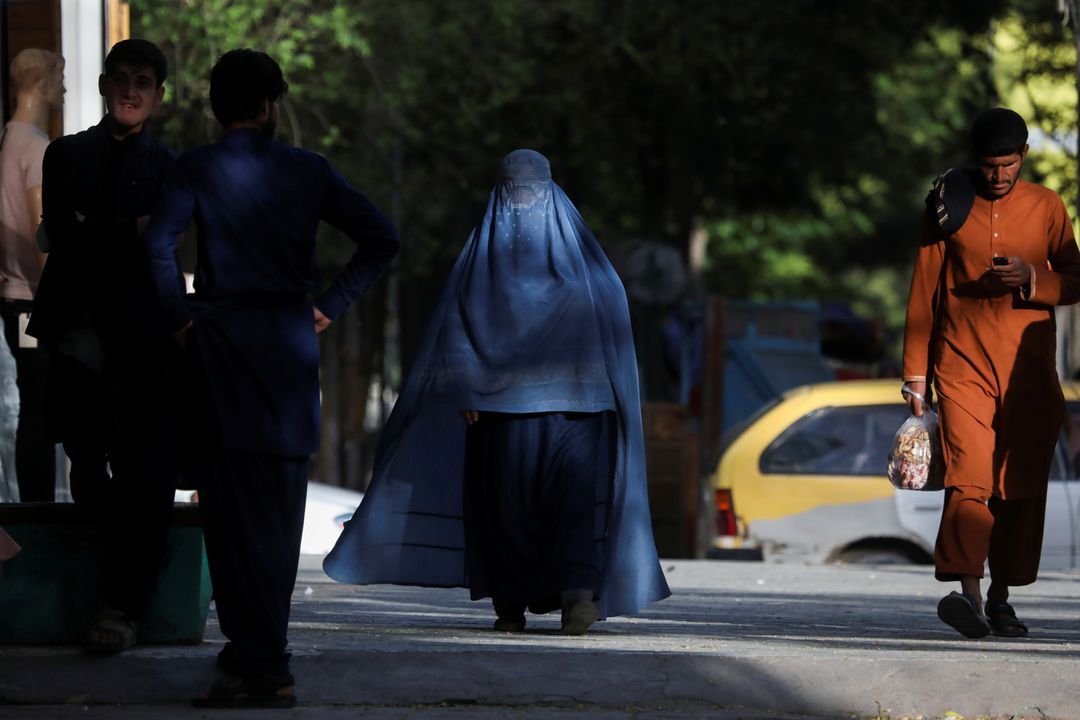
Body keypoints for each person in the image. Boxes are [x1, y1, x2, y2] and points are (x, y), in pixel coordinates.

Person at [323, 149, 670, 635]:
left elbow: (456, 324)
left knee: (504, 508)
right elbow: (611, 319)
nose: (522, 203)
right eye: (518, 192)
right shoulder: (585, 264)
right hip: (579, 411)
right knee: (570, 504)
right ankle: (576, 595)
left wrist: (469, 388)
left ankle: (511, 605)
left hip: (501, 411)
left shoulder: (480, 260)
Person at [143, 49, 398, 708]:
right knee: (279, 516)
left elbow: (157, 247)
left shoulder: (194, 168)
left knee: (227, 511)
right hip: (287, 352)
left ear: (217, 106)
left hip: (221, 348)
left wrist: (179, 320)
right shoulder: (308, 170)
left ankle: (259, 658)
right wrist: (330, 306)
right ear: (268, 106)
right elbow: (381, 238)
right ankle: (261, 656)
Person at [902, 107, 1080, 639]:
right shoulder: (947, 204)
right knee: (968, 479)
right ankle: (968, 593)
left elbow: (1075, 279)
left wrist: (1033, 278)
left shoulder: (1047, 207)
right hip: (961, 368)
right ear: (975, 161)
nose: (999, 176)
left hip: (1029, 375)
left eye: (1008, 164)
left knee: (1017, 487)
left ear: (1023, 155)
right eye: (989, 166)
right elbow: (924, 289)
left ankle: (1001, 597)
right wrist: (916, 373)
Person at [28, 39, 180, 652]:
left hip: (139, 345)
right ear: (102, 85)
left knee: (143, 477)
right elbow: (63, 234)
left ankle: (124, 605)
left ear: (159, 94)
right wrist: (132, 231)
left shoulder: (170, 166)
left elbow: (157, 241)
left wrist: (99, 231)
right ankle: (103, 599)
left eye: (143, 81)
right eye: (121, 79)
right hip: (75, 338)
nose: (131, 91)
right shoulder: (65, 155)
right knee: (88, 469)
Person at [0, 48, 64, 502]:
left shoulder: (7, 140)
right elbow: (43, 232)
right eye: (60, 79)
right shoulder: (38, 147)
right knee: (41, 411)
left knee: (31, 407)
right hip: (34, 301)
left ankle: (34, 508)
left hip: (12, 298)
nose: (64, 88)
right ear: (42, 84)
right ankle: (40, 512)